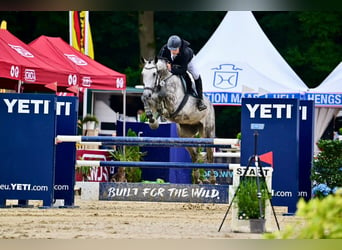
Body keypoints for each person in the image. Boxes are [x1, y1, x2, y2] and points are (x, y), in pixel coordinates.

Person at [158, 35, 207, 111]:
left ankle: (200, 100)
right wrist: (166, 63)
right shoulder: (165, 48)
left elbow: (183, 70)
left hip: (188, 62)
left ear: (179, 47)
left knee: (196, 75)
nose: (172, 51)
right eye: (171, 49)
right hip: (172, 62)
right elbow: (160, 60)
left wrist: (171, 70)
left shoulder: (185, 52)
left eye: (175, 50)